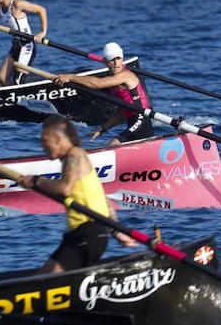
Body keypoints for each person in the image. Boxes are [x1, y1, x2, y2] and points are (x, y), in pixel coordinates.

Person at [17, 117, 137, 273]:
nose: (42, 146)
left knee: (51, 279)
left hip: (89, 235)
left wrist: (35, 181)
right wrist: (115, 230)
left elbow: (65, 189)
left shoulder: (75, 156)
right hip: (79, 235)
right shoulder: (75, 159)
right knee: (43, 274)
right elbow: (101, 197)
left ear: (58, 140)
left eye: (45, 140)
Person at [53, 42, 155, 145]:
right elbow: (121, 112)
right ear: (105, 61)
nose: (116, 64)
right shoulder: (113, 80)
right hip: (133, 123)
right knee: (112, 146)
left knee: (112, 145)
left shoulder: (125, 75)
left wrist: (71, 77)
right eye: (112, 60)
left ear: (122, 59)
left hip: (141, 120)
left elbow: (98, 83)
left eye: (118, 59)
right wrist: (102, 129)